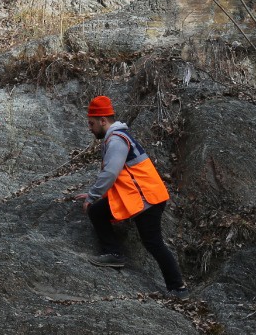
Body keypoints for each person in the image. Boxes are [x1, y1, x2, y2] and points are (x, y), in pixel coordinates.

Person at [74, 96, 187, 295]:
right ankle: (113, 253)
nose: (89, 128)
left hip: (147, 199)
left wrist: (93, 195)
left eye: (91, 123)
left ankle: (178, 287)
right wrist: (97, 196)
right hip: (141, 196)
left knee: (153, 242)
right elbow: (122, 176)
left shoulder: (116, 139)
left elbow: (111, 172)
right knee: (98, 211)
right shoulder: (117, 137)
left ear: (103, 121)